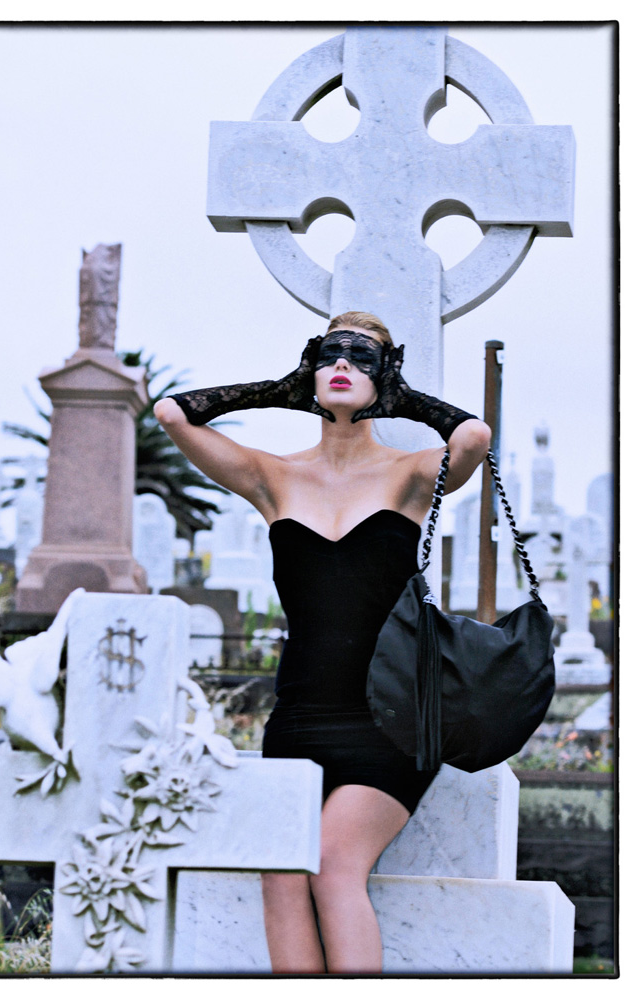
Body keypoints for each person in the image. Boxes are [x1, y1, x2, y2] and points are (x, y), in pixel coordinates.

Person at [154, 311, 491, 974]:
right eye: (330, 354)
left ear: (386, 377)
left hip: (391, 719)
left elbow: (474, 435)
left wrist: (397, 391)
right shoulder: (272, 477)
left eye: (363, 357)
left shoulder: (412, 474)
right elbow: (170, 414)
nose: (344, 364)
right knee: (280, 875)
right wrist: (287, 387)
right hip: (299, 716)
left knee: (335, 865)